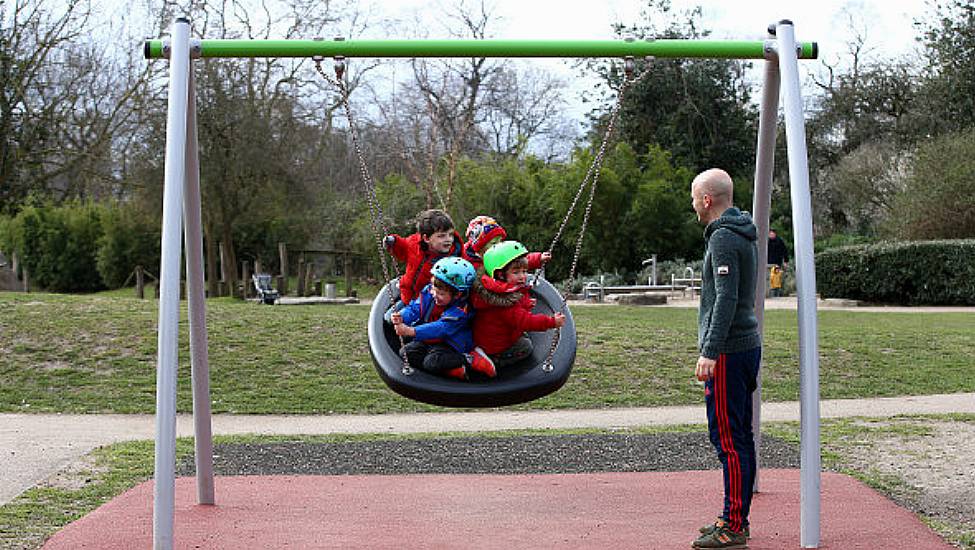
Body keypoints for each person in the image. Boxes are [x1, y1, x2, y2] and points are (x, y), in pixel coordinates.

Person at [689, 168, 762, 549]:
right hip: (746, 346)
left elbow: (726, 299)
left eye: (693, 198)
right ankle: (734, 516)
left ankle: (734, 526)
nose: (692, 206)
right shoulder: (743, 231)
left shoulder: (722, 238)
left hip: (730, 352)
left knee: (729, 441)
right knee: (741, 437)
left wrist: (709, 351)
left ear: (707, 200)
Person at [389, 257, 496, 380]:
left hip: (450, 344)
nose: (435, 294)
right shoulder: (429, 292)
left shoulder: (461, 309)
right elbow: (415, 308)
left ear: (458, 294)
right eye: (434, 289)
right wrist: (401, 316)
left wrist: (412, 331)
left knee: (431, 363)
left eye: (441, 293)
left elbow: (442, 328)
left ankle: (470, 358)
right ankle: (452, 369)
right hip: (429, 341)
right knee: (406, 353)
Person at [470, 240, 566, 371]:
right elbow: (525, 321)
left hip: (491, 336)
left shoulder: (495, 287)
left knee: (522, 336)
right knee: (526, 347)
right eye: (516, 272)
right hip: (495, 346)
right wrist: (551, 322)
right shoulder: (504, 302)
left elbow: (516, 306)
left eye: (525, 271)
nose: (523, 276)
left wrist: (525, 304)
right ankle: (492, 361)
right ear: (500, 274)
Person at [384, 209, 463, 321]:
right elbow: (403, 247)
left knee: (412, 325)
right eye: (441, 236)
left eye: (450, 235)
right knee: (388, 318)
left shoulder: (453, 259)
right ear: (426, 238)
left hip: (430, 303)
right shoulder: (414, 244)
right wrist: (393, 243)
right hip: (407, 295)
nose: (448, 240)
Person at [462, 214, 551, 272]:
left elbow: (515, 260)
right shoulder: (467, 262)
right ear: (479, 246)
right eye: (493, 243)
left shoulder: (499, 254)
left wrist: (539, 258)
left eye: (500, 241)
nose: (498, 245)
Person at [767, 229, 789, 297]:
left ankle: (776, 294)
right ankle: (770, 293)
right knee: (769, 278)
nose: (771, 235)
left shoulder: (779, 241)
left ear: (775, 234)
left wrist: (786, 261)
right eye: (770, 234)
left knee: (776, 278)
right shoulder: (767, 242)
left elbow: (785, 251)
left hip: (777, 263)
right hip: (768, 262)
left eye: (772, 234)